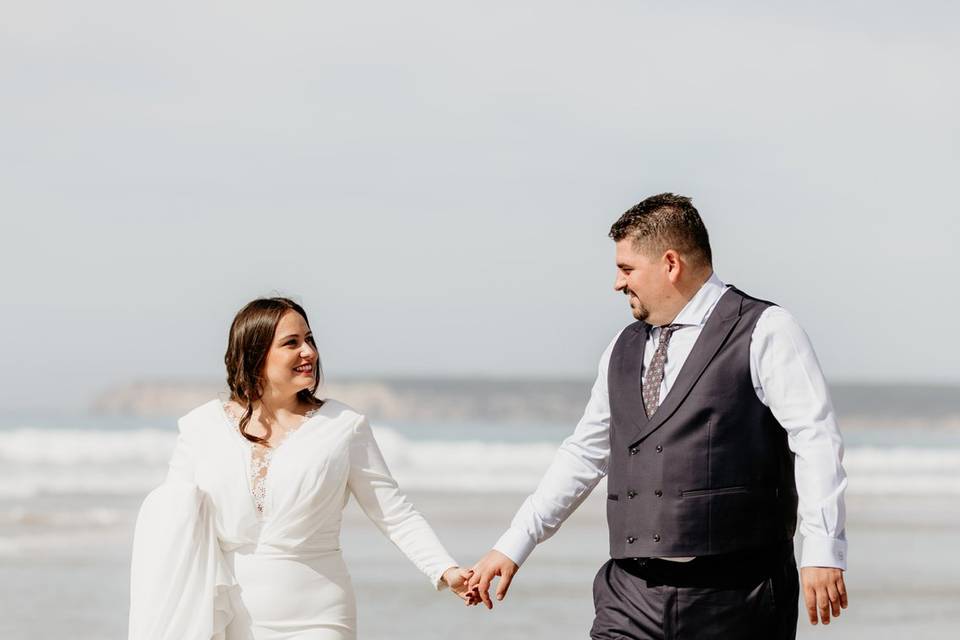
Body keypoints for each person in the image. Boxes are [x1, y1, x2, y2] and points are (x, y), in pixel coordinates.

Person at [465, 194, 849, 639]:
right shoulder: (621, 348)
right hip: (629, 595)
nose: (616, 283)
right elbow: (585, 454)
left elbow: (816, 438)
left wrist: (823, 549)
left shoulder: (767, 330)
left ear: (670, 264)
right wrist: (514, 543)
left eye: (627, 269)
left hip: (737, 595)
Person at [129, 297, 475, 640]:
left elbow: (394, 513)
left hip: (320, 617)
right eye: (291, 343)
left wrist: (445, 569)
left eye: (309, 339)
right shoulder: (200, 427)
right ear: (254, 354)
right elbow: (171, 527)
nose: (309, 352)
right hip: (230, 617)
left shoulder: (343, 426)